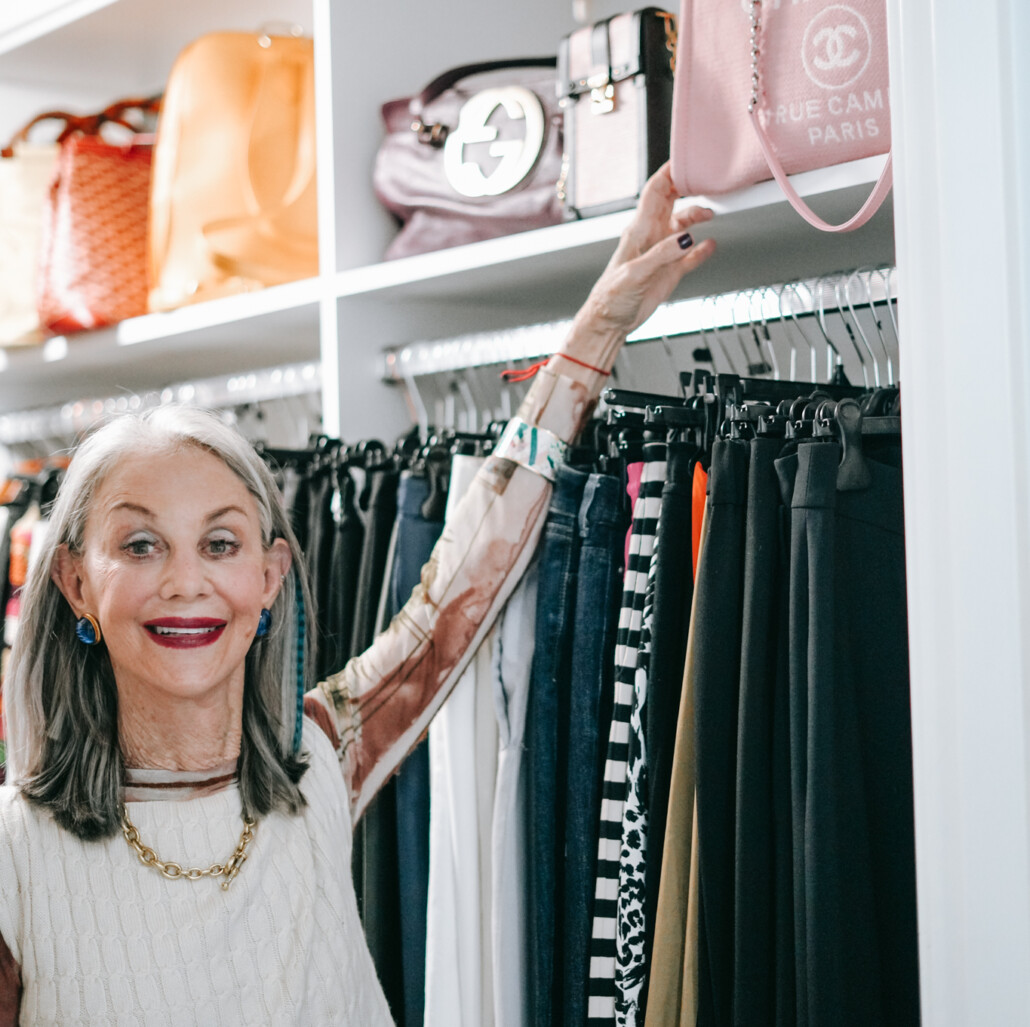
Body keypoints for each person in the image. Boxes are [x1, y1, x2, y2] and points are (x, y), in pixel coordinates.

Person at [0, 165, 715, 1024]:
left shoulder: (317, 762)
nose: (186, 580)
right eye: (141, 543)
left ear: (268, 578)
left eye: (220, 542)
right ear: (76, 582)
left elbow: (459, 591)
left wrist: (599, 327)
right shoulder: (15, 853)